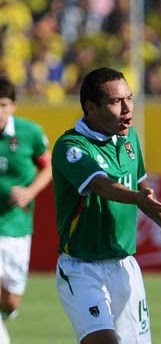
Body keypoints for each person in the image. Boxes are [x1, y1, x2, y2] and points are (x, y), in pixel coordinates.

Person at [51, 67, 161, 344]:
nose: (127, 108)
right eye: (116, 102)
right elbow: (101, 186)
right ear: (91, 107)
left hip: (125, 265)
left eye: (130, 98)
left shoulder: (129, 139)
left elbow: (141, 187)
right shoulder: (72, 146)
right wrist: (139, 198)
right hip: (82, 268)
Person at [0, 77, 52, 343]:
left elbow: (48, 166)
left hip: (17, 227)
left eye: (2, 105)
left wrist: (30, 192)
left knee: (10, 301)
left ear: (13, 107)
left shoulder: (30, 133)